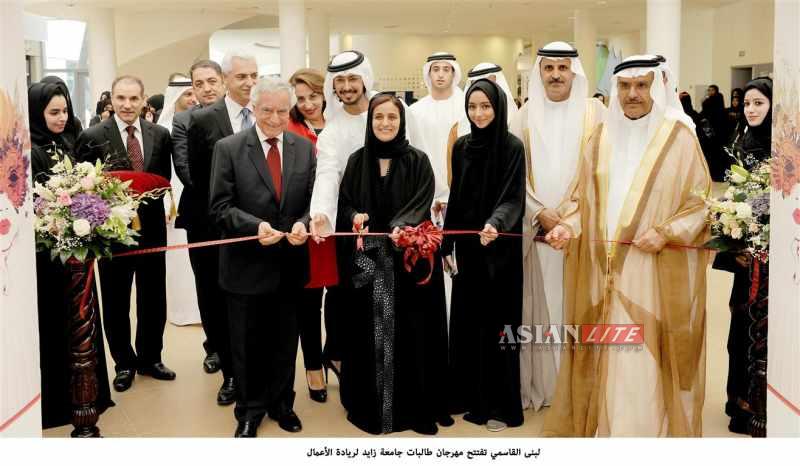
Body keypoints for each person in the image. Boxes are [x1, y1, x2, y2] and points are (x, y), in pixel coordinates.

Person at [543, 55, 711, 437]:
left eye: (641, 85)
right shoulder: (599, 138)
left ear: (657, 87)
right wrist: (567, 228)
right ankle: (608, 431)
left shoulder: (679, 138)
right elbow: (582, 200)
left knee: (645, 357)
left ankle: (645, 434)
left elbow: (701, 204)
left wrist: (667, 231)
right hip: (602, 268)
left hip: (653, 269)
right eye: (624, 86)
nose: (632, 94)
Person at [337, 93, 451, 435]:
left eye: (392, 117)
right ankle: (372, 408)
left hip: (408, 265)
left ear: (402, 122)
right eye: (379, 118)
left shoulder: (418, 160)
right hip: (369, 266)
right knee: (371, 336)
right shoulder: (357, 161)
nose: (385, 123)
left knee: (412, 335)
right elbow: (343, 203)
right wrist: (355, 216)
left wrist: (401, 226)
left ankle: (414, 408)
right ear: (370, 122)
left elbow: (422, 200)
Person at [209, 77, 315, 437]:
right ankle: (250, 409)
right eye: (267, 110)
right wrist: (255, 227)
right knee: (247, 343)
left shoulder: (304, 148)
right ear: (253, 108)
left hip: (290, 263)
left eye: (282, 110)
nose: (274, 118)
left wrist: (303, 224)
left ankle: (283, 403)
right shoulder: (229, 148)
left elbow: (311, 204)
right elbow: (219, 208)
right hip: (245, 266)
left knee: (286, 341)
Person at [509, 41, 606, 411]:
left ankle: (577, 389)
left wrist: (570, 218)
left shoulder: (595, 114)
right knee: (540, 305)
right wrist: (540, 214)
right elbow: (514, 175)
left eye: (562, 68)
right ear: (539, 73)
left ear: (574, 72)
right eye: (548, 68)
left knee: (578, 305)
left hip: (579, 232)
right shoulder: (523, 116)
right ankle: (546, 387)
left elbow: (602, 173)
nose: (555, 75)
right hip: (536, 232)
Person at [74, 75, 176, 392]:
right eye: (121, 98)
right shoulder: (92, 136)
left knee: (153, 297)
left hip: (153, 231)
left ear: (144, 100)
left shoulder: (161, 135)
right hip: (112, 234)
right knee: (116, 301)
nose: (127, 105)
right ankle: (124, 363)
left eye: (133, 99)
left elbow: (162, 181)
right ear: (112, 100)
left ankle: (151, 358)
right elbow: (83, 186)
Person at [28, 80, 115, 428]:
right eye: (53, 112)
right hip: (48, 259)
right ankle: (61, 403)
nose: (62, 117)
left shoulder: (72, 139)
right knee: (56, 325)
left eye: (65, 110)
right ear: (38, 112)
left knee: (84, 318)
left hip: (78, 257)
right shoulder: (28, 149)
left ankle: (90, 393)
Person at [443, 78, 525, 432]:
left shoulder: (512, 147)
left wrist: (495, 223)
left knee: (499, 326)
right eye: (473, 107)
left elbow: (513, 197)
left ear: (499, 108)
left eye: (485, 106)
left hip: (500, 250)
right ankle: (466, 396)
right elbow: (456, 198)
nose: (478, 113)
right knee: (467, 322)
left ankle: (500, 404)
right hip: (468, 250)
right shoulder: (461, 147)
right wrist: (447, 244)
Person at [185, 51, 258, 406]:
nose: (248, 83)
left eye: (253, 76)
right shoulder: (203, 120)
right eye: (241, 76)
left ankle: (258, 372)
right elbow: (201, 182)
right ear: (227, 79)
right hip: (217, 228)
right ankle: (230, 373)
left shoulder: (266, 112)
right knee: (218, 300)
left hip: (261, 229)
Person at [712, 77, 772, 435]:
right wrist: (734, 235)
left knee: (765, 331)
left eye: (759, 103)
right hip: (745, 259)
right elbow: (736, 197)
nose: (750, 109)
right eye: (747, 103)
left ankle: (764, 405)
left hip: (771, 261)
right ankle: (740, 402)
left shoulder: (785, 149)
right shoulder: (740, 143)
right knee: (740, 330)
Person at [172, 59, 227, 377]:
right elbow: (186, 170)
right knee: (208, 285)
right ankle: (216, 348)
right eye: (199, 83)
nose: (206, 88)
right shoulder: (184, 120)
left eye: (211, 81)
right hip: (201, 216)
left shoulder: (240, 114)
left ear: (222, 82)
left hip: (242, 218)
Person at [287, 68, 338, 403]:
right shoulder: (290, 130)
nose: (307, 104)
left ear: (325, 95)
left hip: (340, 228)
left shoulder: (341, 124)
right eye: (301, 98)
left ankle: (334, 353)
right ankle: (312, 367)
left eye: (313, 97)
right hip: (306, 228)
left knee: (340, 299)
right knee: (308, 304)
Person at [409, 51, 465, 317]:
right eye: (436, 69)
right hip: (427, 199)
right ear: (428, 74)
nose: (441, 74)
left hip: (461, 197)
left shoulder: (466, 105)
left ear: (454, 73)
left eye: (446, 69)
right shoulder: (416, 111)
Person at [155, 77, 201, 329]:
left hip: (194, 200)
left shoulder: (199, 122)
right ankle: (183, 311)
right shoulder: (163, 129)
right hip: (171, 203)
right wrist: (165, 203)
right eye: (187, 95)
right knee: (178, 262)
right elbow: (163, 173)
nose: (193, 99)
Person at [701, 91, 729, 181]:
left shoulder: (709, 112)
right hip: (721, 140)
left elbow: (707, 128)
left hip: (712, 141)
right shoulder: (724, 112)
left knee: (713, 159)